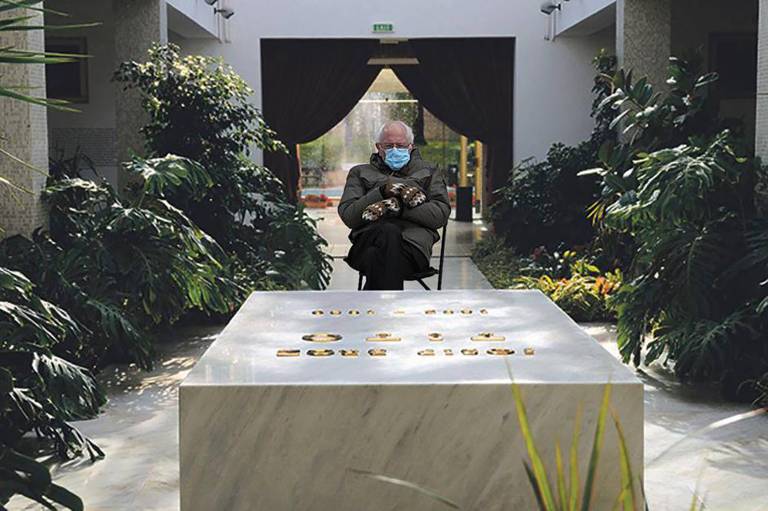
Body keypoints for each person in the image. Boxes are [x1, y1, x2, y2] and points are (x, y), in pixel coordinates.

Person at [338, 120, 451, 290]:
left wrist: (397, 207)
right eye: (389, 146)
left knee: (377, 253)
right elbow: (349, 216)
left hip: (411, 249)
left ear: (411, 146)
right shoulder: (360, 172)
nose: (395, 150)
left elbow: (440, 215)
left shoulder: (429, 171)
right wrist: (381, 192)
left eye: (401, 145)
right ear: (378, 147)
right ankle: (391, 304)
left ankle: (376, 304)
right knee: (386, 233)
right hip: (368, 241)